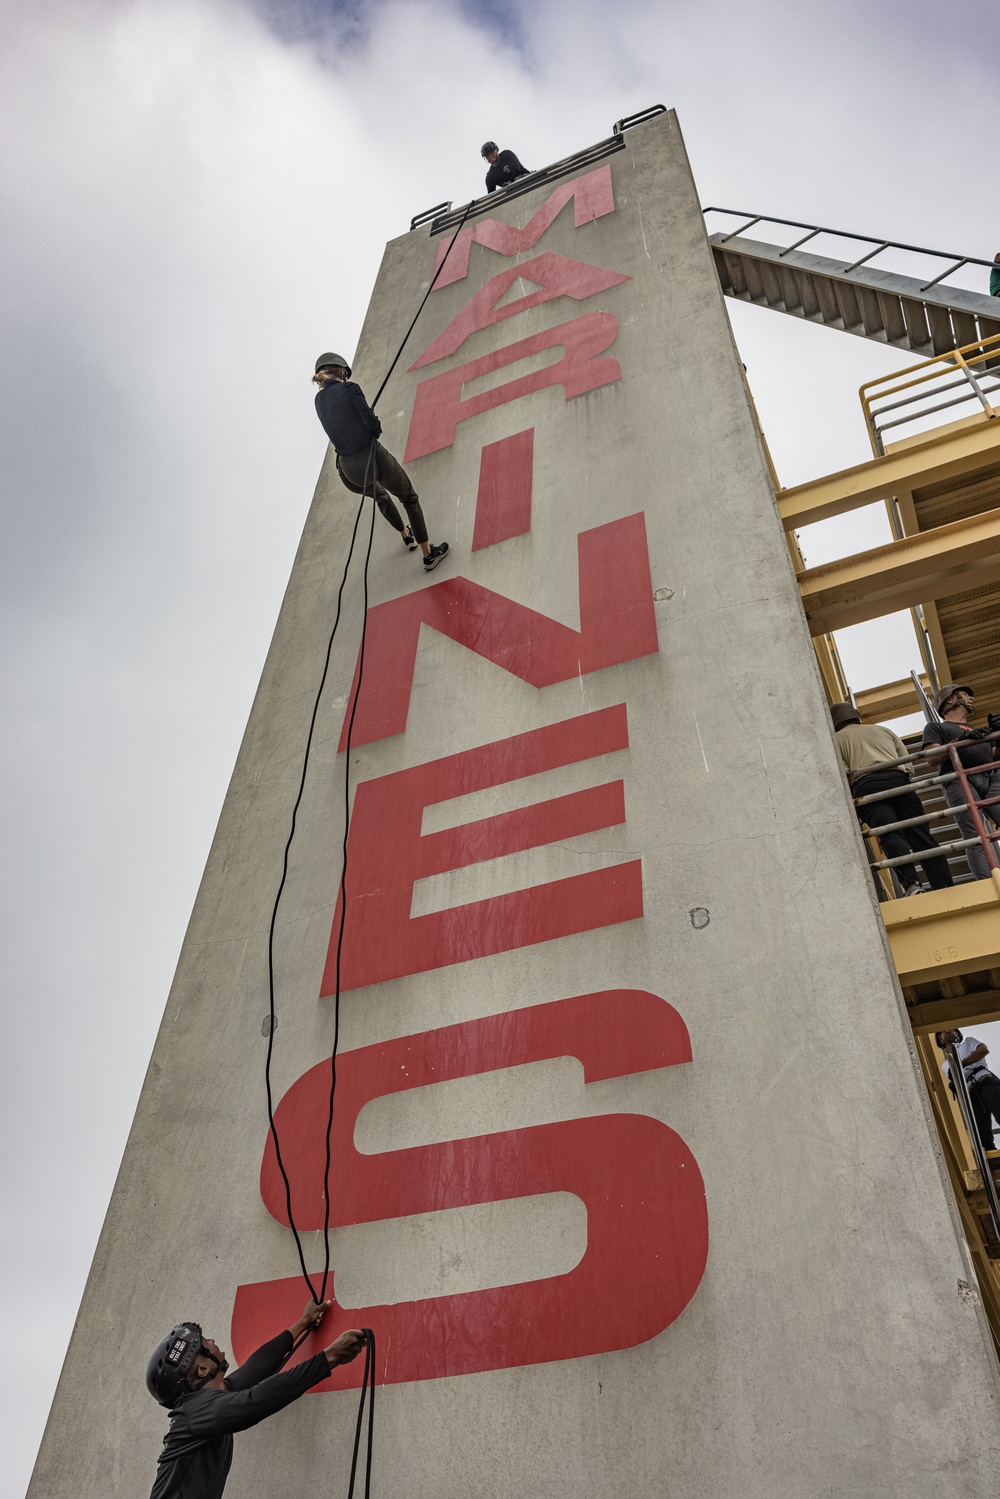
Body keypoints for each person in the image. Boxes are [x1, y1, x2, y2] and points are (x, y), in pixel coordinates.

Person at [146, 1297, 365, 1499]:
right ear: (202, 1370)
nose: (212, 1340)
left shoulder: (207, 1404)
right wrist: (330, 1357)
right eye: (204, 1343)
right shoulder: (194, 1413)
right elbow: (255, 1401)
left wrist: (302, 1323)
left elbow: (256, 1367)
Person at [313, 354, 449, 572]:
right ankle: (428, 554)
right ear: (340, 371)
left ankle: (406, 535)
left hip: (348, 471)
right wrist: (375, 425)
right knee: (408, 497)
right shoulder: (350, 389)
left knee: (381, 496)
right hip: (370, 458)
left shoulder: (318, 402)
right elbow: (370, 421)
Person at [831, 701, 953, 895]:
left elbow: (843, 773)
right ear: (856, 716)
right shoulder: (882, 730)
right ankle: (944, 885)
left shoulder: (835, 739)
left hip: (867, 786)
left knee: (890, 834)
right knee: (920, 834)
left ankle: (912, 885)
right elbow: (906, 762)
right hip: (899, 780)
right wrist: (902, 775)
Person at [921, 684, 1000, 881]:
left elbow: (994, 756)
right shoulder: (936, 727)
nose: (971, 699)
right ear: (950, 699)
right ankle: (988, 881)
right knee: (975, 835)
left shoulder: (976, 730)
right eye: (966, 695)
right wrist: (958, 740)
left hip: (990, 776)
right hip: (960, 780)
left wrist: (998, 736)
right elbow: (931, 758)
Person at [936, 1029, 1000, 1152]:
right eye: (942, 1031)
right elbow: (957, 1082)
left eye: (951, 1029)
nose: (947, 1031)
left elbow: (983, 1050)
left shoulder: (968, 1042)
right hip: (970, 1092)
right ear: (940, 1040)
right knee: (981, 1133)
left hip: (986, 1082)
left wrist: (961, 1064)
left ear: (958, 1034)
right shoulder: (945, 1065)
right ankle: (992, 1158)